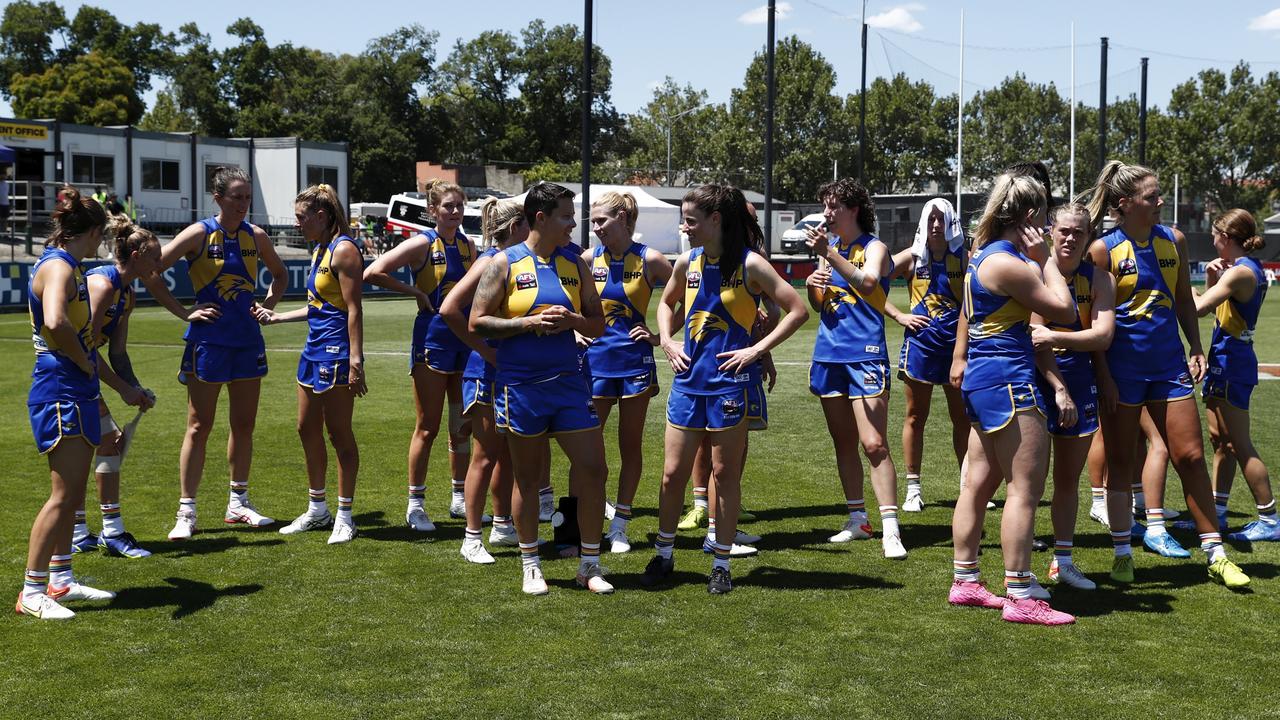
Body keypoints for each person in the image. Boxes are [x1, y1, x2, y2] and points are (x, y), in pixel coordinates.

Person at [1083, 160, 1249, 587]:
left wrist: (1195, 346)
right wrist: (1102, 373)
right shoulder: (1102, 250)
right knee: (1121, 463)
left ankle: (1215, 553)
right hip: (1122, 371)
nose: (1160, 202)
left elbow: (1182, 302)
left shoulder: (1173, 240)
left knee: (1190, 456)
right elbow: (1092, 320)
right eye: (1152, 197)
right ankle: (1123, 553)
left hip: (1168, 367)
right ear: (1125, 204)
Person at [642, 184, 808, 594]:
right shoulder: (687, 262)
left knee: (724, 475)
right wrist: (666, 339)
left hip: (729, 389)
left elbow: (798, 309)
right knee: (671, 476)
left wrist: (757, 349)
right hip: (687, 384)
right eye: (684, 219)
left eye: (691, 220)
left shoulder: (751, 264)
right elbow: (667, 304)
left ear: (716, 220)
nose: (685, 228)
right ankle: (664, 554)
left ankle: (721, 562)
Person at [469, 182, 613, 596]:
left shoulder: (576, 263)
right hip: (520, 387)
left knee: (593, 469)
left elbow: (597, 324)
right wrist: (525, 324)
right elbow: (477, 321)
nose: (573, 224)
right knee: (528, 479)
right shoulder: (504, 263)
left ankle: (589, 564)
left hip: (569, 384)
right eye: (566, 216)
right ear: (540, 218)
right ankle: (531, 564)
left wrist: (572, 322)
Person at [947, 172, 1077, 625]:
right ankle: (1021, 594)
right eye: (1042, 215)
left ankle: (965, 582)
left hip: (984, 383)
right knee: (1024, 488)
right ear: (1028, 216)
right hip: (1008, 382)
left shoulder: (981, 256)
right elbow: (1066, 310)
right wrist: (1047, 261)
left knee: (977, 484)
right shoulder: (1010, 263)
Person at [18, 188, 147, 619]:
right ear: (90, 231)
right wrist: (79, 359)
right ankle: (32, 591)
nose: (101, 246)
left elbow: (82, 342)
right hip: (59, 386)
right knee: (62, 495)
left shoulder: (67, 264)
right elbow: (56, 321)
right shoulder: (58, 267)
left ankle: (59, 580)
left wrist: (96, 372)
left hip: (73, 385)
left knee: (71, 491)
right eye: (99, 237)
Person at [160, 166, 287, 540]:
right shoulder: (199, 233)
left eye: (247, 197)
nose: (243, 204)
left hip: (247, 340)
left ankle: (238, 503)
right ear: (217, 197)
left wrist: (268, 305)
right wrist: (185, 312)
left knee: (244, 425)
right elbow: (152, 270)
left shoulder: (256, 236)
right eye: (236, 197)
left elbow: (279, 275)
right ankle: (187, 511)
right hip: (209, 342)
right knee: (199, 427)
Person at [255, 184, 366, 544]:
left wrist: (355, 360)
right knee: (305, 428)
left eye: (301, 218)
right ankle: (318, 509)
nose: (297, 225)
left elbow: (353, 310)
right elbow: (319, 306)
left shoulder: (344, 250)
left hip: (335, 354)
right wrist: (277, 317)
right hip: (312, 351)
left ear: (322, 216)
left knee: (339, 435)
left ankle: (345, 515)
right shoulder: (320, 249)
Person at [364, 180, 477, 532]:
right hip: (431, 339)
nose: (455, 211)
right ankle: (416, 504)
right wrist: (413, 289)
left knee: (462, 424)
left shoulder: (469, 245)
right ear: (432, 210)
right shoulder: (421, 243)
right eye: (448, 206)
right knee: (427, 426)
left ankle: (459, 498)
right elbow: (373, 272)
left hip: (464, 341)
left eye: (459, 205)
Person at [803, 178, 906, 559]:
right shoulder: (829, 250)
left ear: (854, 210)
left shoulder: (874, 247)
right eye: (825, 206)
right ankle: (858, 519)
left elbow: (868, 282)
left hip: (864, 355)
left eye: (833, 207)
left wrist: (828, 255)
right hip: (829, 356)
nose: (827, 213)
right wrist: (815, 283)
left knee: (874, 443)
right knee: (843, 442)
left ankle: (891, 528)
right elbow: (818, 305)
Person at [1028, 204, 1116, 590]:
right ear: (1050, 232)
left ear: (1088, 236)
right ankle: (1018, 567)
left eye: (1078, 233)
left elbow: (1102, 336)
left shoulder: (1100, 279)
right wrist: (1058, 386)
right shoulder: (1034, 273)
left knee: (1067, 480)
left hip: (1080, 382)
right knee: (1027, 479)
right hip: (1036, 381)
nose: (1069, 238)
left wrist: (1057, 337)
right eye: (1063, 231)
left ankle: (1062, 561)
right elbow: (1034, 338)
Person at [439, 197, 528, 563]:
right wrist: (485, 350)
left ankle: (503, 524)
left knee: (508, 452)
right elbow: (449, 309)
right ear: (515, 227)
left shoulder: (516, 260)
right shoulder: (490, 260)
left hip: (508, 371)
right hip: (486, 371)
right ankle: (472, 536)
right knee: (485, 453)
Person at [586, 191, 673, 553]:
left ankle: (620, 524)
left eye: (601, 221)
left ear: (623, 218)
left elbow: (687, 296)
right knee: (589, 446)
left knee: (629, 445)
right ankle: (593, 512)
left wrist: (660, 336)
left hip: (635, 362)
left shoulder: (651, 259)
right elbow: (571, 302)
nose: (595, 228)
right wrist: (578, 330)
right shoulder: (588, 259)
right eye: (592, 222)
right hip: (595, 362)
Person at [72, 217, 164, 559]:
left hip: (84, 377)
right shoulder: (102, 286)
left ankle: (82, 533)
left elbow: (118, 352)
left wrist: (136, 388)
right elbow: (84, 347)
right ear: (137, 255)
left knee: (98, 446)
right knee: (104, 444)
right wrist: (123, 390)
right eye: (155, 258)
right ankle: (106, 532)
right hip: (70, 376)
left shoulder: (127, 295)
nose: (159, 264)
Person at [1193, 209, 1276, 542]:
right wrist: (1211, 279)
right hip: (1225, 360)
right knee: (1221, 442)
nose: (1212, 240)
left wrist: (1165, 279)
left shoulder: (1242, 273)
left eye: (1215, 234)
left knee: (1241, 445)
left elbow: (1197, 307)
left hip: (1233, 364)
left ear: (1225, 238)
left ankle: (1270, 519)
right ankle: (1219, 513)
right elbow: (1215, 307)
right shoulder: (1237, 271)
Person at [884, 198, 969, 513]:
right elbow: (870, 284)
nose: (936, 225)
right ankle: (913, 488)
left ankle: (969, 486)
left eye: (941, 219)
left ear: (951, 223)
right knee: (915, 417)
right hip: (920, 348)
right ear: (923, 222)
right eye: (931, 219)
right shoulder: (911, 258)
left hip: (956, 350)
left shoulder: (964, 259)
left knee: (962, 418)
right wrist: (899, 316)